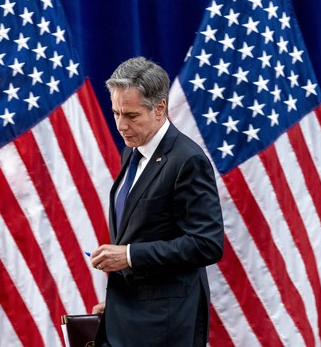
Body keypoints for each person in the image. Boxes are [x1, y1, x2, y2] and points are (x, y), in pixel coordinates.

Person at [90, 57, 224, 346]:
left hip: (165, 325)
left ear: (160, 108)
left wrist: (128, 256)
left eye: (132, 116)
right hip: (129, 317)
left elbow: (207, 244)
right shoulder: (132, 151)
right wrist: (117, 306)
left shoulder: (187, 160)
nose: (121, 126)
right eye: (116, 113)